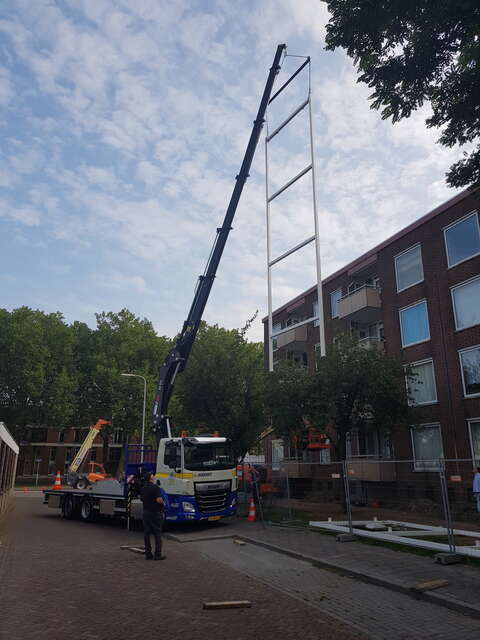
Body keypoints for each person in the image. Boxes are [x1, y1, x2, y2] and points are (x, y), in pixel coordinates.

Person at [140, 471, 167, 560]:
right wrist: (164, 504)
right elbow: (159, 499)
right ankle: (158, 554)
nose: (154, 476)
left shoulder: (143, 488)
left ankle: (148, 554)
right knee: (157, 533)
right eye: (152, 475)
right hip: (155, 512)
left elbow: (142, 499)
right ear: (150, 478)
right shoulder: (155, 487)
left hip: (146, 512)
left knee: (146, 533)